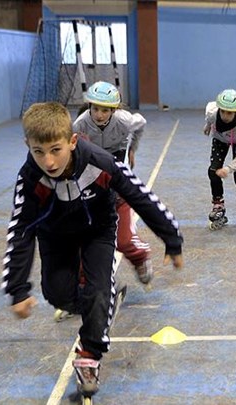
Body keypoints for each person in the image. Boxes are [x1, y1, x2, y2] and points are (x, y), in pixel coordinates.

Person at [3, 102, 183, 396]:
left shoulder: (99, 161)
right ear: (28, 146)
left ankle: (89, 354)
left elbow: (139, 196)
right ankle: (96, 307)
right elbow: (21, 231)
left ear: (72, 141)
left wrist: (171, 238)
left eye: (55, 150)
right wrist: (17, 289)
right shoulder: (30, 177)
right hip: (55, 237)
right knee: (57, 294)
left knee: (98, 290)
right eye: (38, 151)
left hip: (96, 231)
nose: (48, 161)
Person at [72, 81, 154, 285]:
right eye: (96, 109)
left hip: (115, 179)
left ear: (114, 110)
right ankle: (84, 282)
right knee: (84, 238)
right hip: (91, 181)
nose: (99, 114)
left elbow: (141, 123)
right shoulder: (80, 125)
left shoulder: (125, 120)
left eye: (105, 110)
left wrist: (132, 148)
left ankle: (139, 258)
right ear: (90, 106)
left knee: (124, 241)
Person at [203, 89, 236, 232]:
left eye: (230, 113)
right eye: (223, 112)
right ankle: (218, 204)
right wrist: (207, 126)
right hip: (220, 140)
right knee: (212, 171)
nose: (226, 116)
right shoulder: (212, 113)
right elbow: (209, 117)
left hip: (235, 140)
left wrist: (228, 168)